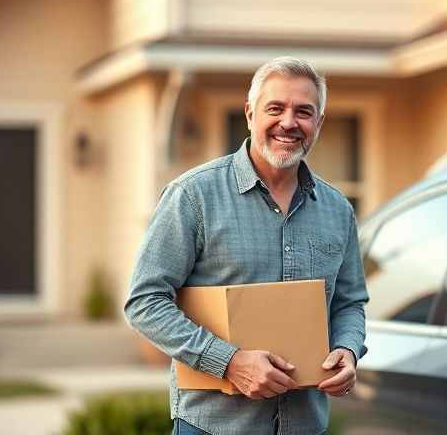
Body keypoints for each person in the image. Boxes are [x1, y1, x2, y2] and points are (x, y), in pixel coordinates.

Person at [124, 56, 369, 435]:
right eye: (276, 108)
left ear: (318, 124)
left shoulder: (337, 209)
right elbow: (144, 301)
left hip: (305, 425)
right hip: (212, 427)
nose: (289, 122)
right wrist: (230, 362)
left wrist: (349, 350)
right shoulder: (193, 196)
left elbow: (349, 302)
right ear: (250, 113)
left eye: (304, 111)